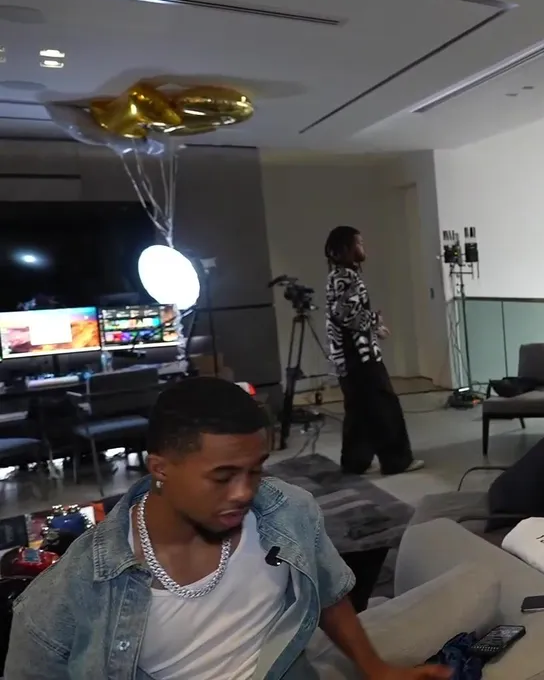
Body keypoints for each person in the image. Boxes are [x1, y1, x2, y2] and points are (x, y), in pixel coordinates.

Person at [3, 376, 448, 679]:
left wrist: (377, 669)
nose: (244, 492)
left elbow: (330, 593)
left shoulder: (290, 511)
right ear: (160, 469)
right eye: (223, 477)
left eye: (255, 470)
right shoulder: (67, 595)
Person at [324, 226, 424, 476]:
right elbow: (347, 315)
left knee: (359, 408)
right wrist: (374, 321)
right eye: (358, 243)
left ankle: (355, 461)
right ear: (346, 249)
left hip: (349, 356)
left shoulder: (339, 276)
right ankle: (396, 460)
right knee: (383, 406)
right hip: (361, 356)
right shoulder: (345, 277)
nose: (363, 247)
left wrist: (372, 326)